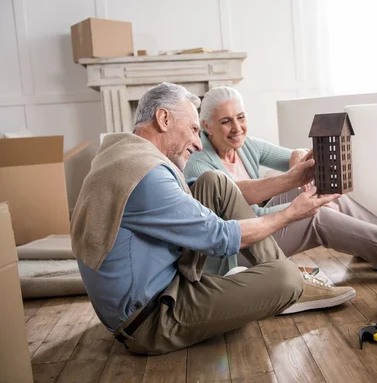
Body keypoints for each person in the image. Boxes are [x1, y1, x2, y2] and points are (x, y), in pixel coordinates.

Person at [70, 82, 356, 356]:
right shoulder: (147, 176)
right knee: (287, 277)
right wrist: (292, 213)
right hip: (152, 320)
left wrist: (291, 179)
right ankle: (292, 287)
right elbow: (220, 237)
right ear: (163, 118)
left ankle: (288, 285)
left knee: (214, 181)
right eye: (194, 129)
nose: (197, 142)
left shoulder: (124, 156)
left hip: (161, 286)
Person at [184, 86, 377, 271]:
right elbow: (245, 219)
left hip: (261, 227)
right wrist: (304, 207)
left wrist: (296, 153)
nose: (237, 128)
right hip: (235, 251)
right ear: (207, 126)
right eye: (225, 121)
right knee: (317, 216)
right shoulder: (199, 165)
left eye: (240, 117)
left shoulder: (244, 145)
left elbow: (296, 158)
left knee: (321, 184)